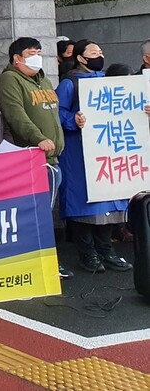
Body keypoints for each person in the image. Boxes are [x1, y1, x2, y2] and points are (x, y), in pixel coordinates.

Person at [0, 37, 71, 278]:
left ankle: (45, 261)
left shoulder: (43, 80)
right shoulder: (10, 80)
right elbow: (17, 115)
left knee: (46, 214)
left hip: (53, 159)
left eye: (39, 51)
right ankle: (38, 265)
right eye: (31, 52)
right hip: (32, 158)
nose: (37, 56)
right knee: (35, 215)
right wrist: (38, 138)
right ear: (17, 58)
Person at [54, 39, 132, 273]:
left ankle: (106, 251)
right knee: (84, 206)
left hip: (105, 151)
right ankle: (87, 254)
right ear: (80, 57)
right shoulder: (70, 83)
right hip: (79, 153)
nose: (99, 55)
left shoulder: (107, 80)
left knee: (107, 205)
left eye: (100, 51)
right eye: (94, 52)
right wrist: (72, 121)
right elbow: (57, 112)